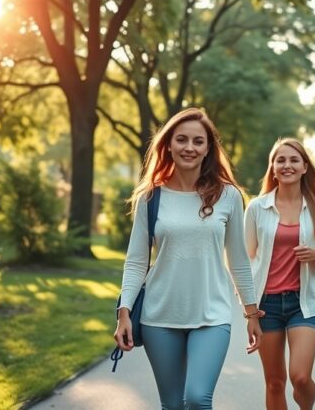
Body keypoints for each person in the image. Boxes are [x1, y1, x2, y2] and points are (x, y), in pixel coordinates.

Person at [113, 107, 263, 410]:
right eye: (181, 139)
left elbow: (238, 260)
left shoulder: (229, 196)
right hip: (159, 316)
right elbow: (137, 261)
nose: (189, 147)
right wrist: (124, 311)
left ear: (208, 148)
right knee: (171, 405)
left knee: (196, 397)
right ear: (168, 144)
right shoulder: (150, 197)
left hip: (212, 314)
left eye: (198, 141)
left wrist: (251, 313)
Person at [245, 138, 315, 410]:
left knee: (301, 377)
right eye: (280, 160)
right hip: (266, 305)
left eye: (294, 160)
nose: (287, 165)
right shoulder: (257, 208)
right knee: (274, 382)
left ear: (305, 167)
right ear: (272, 168)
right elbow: (245, 261)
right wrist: (249, 311)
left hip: (304, 303)